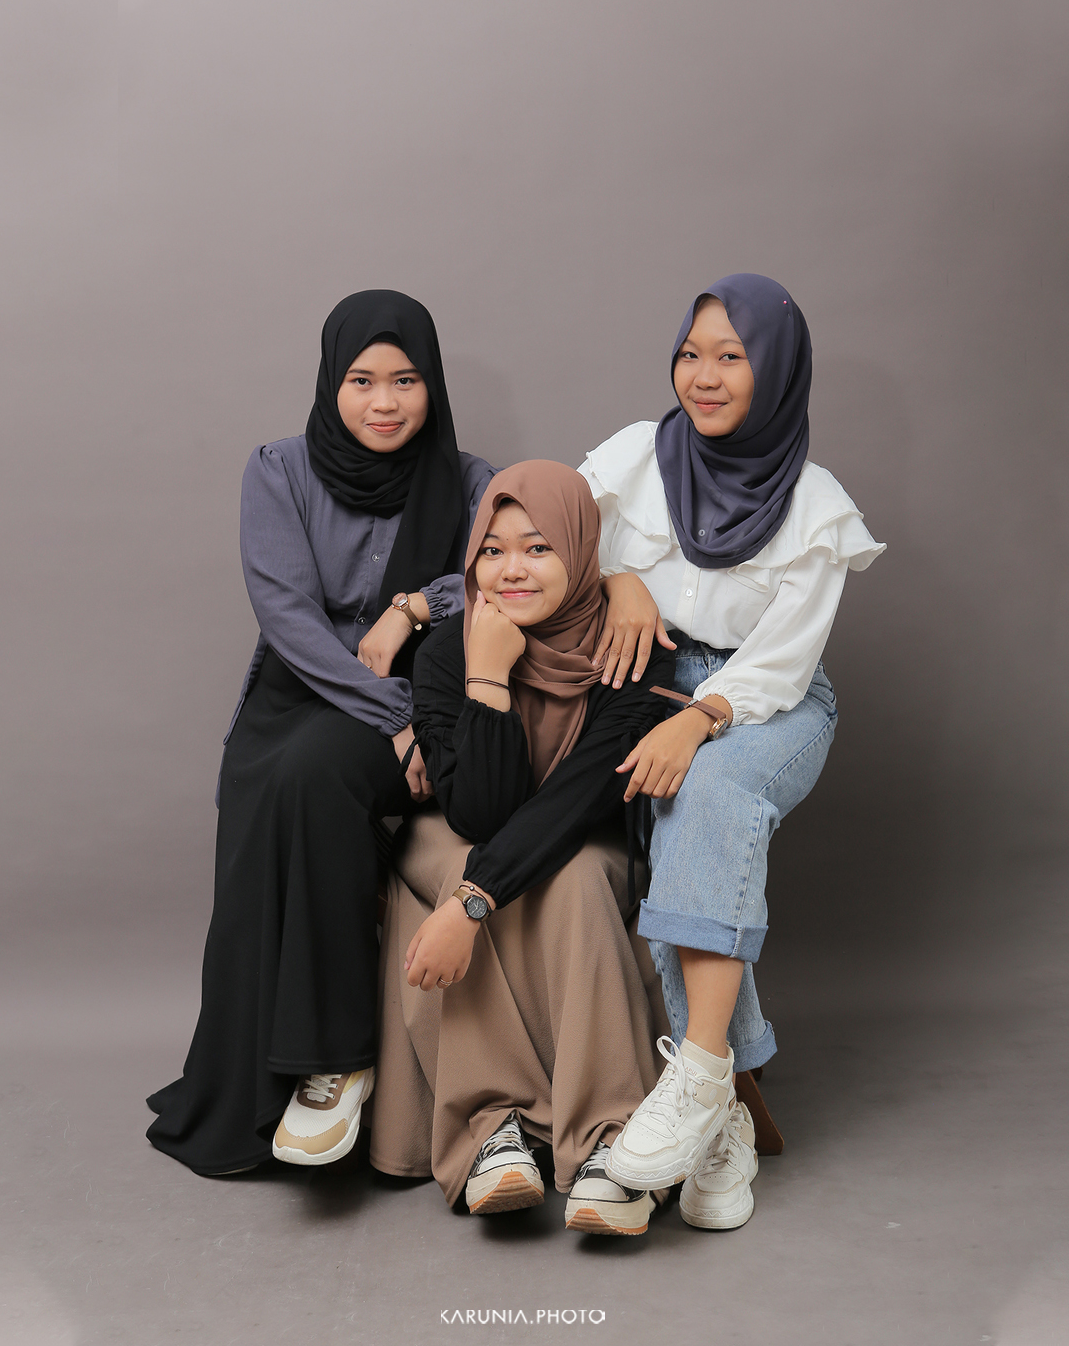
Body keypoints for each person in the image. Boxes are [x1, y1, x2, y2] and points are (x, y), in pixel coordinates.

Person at [146, 290, 495, 1176]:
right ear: (330, 383)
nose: (385, 402)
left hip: (421, 701)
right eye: (362, 379)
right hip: (308, 696)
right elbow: (288, 619)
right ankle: (250, 1089)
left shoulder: (467, 481)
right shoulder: (278, 469)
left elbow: (504, 581)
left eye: (407, 380)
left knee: (312, 778)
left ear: (433, 384)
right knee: (271, 794)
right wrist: (394, 722)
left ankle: (331, 1063)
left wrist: (412, 608)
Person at [577, 273, 885, 1229]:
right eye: (689, 353)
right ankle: (723, 1118)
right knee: (678, 825)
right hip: (651, 683)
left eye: (731, 357)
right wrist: (620, 575)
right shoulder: (634, 456)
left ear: (779, 371)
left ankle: (696, 1077)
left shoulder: (816, 506)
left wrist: (700, 717)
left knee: (708, 797)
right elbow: (548, 537)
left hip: (768, 705)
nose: (701, 378)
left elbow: (784, 666)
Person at [369, 460, 675, 1235]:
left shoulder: (631, 649)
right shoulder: (447, 652)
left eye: (538, 549)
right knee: (454, 861)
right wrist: (489, 678)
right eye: (493, 550)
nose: (511, 570)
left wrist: (474, 903)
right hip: (463, 832)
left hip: (582, 834)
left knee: (569, 880)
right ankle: (489, 1130)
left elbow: (576, 802)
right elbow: (477, 811)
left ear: (581, 554)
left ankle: (608, 1139)